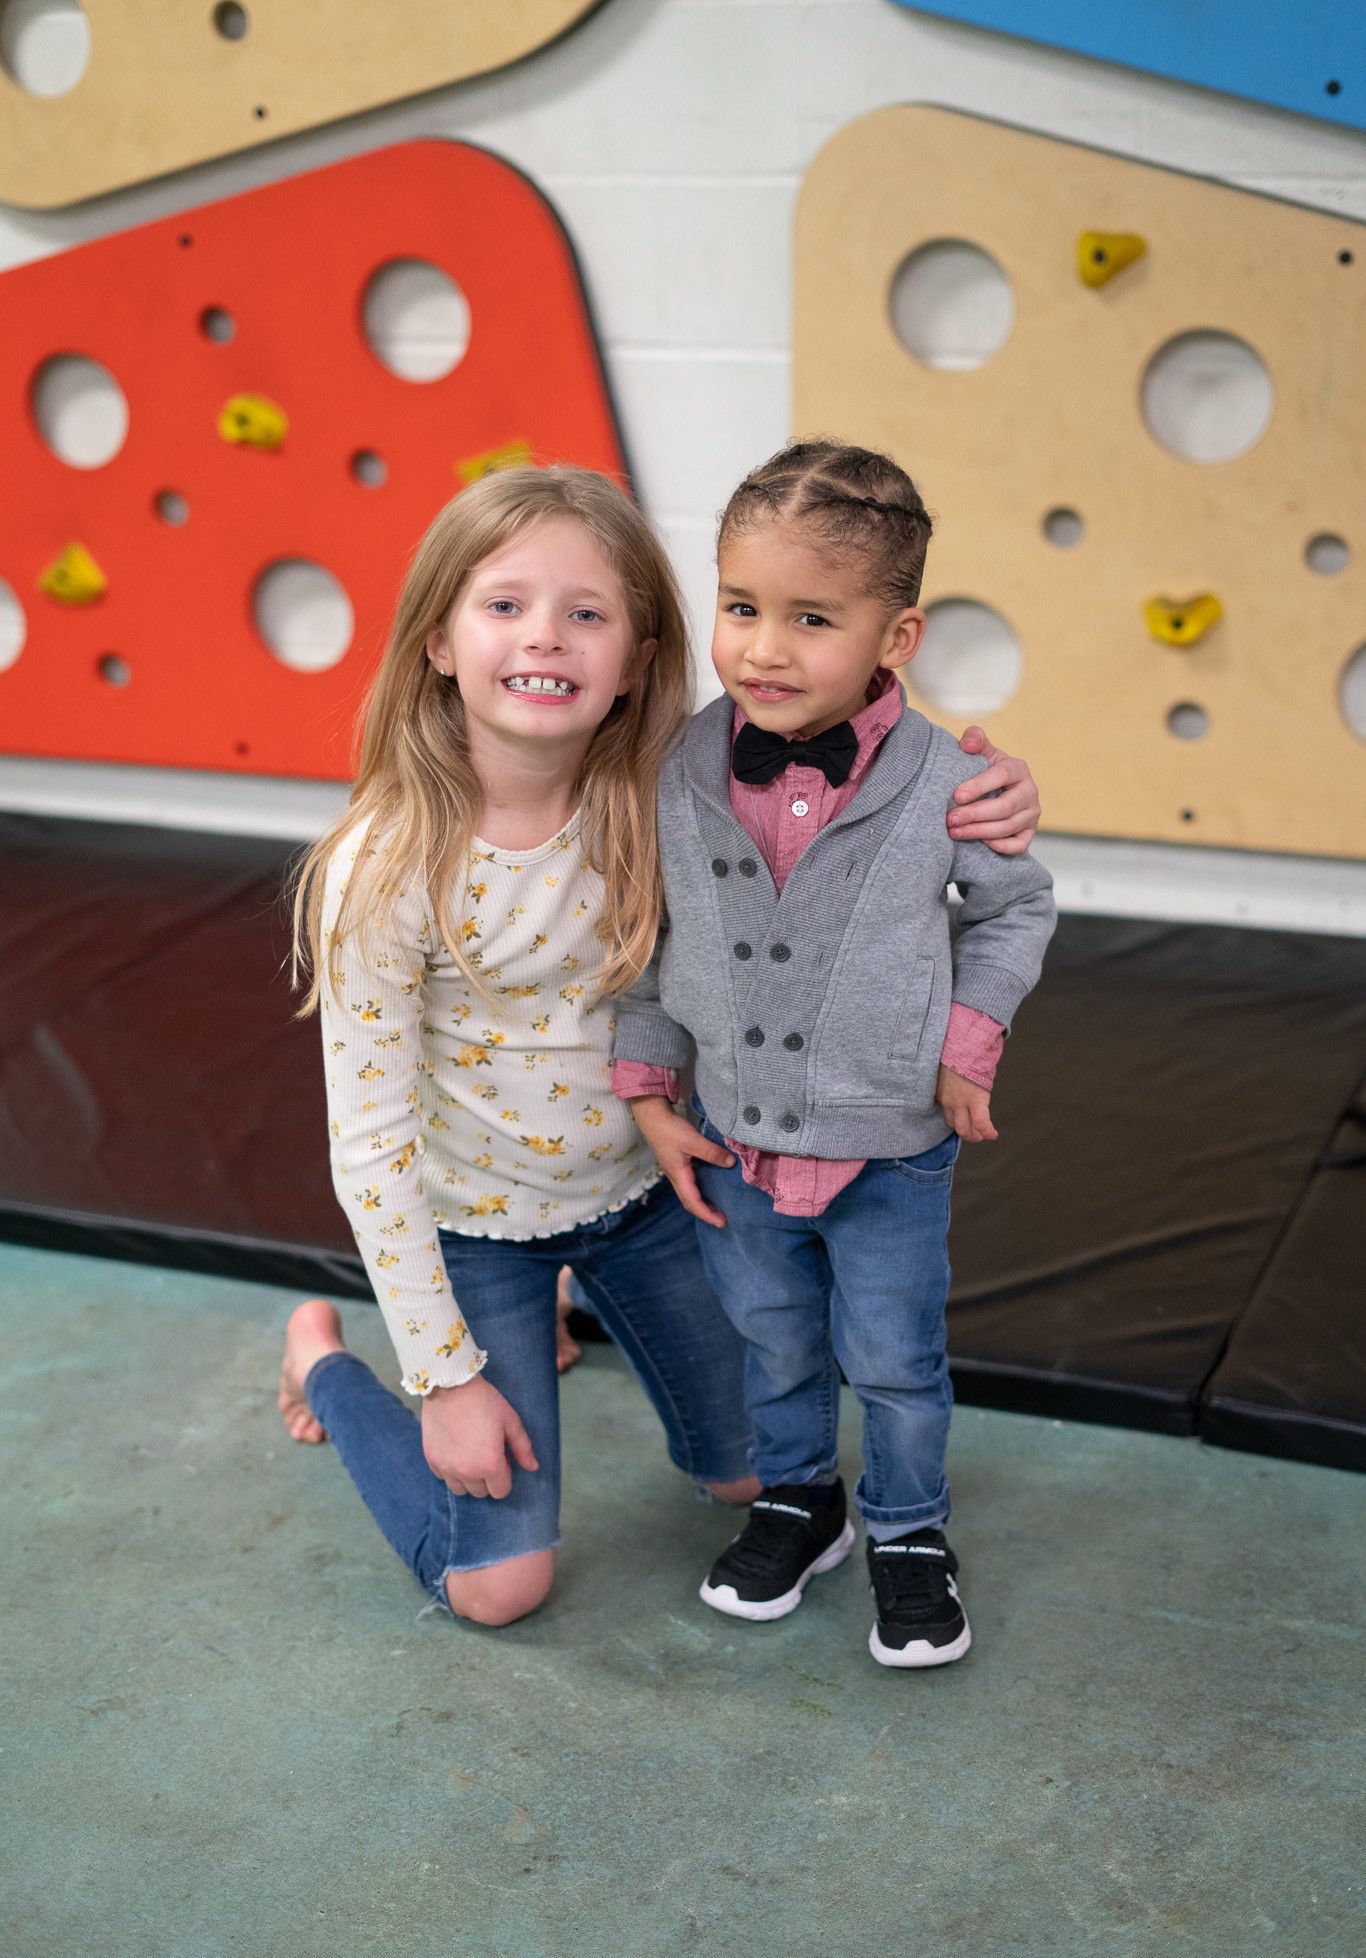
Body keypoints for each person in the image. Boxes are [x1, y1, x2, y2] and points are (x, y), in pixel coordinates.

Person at [277, 462, 1042, 1629]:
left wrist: (998, 793)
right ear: (437, 639)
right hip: (480, 1225)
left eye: (586, 613)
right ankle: (325, 1360)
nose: (546, 637)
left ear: (635, 658)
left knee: (757, 1473)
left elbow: (867, 785)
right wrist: (444, 1373)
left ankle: (570, 1305)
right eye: (504, 606)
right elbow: (368, 1149)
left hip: (647, 1195)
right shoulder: (379, 871)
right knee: (497, 1588)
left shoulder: (667, 780)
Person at [613, 441, 1056, 1667]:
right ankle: (801, 1501)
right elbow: (649, 935)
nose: (763, 646)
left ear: (895, 637)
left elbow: (1017, 908)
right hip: (737, 1138)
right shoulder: (677, 765)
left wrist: (967, 1044)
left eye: (812, 618)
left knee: (895, 1361)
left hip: (892, 1150)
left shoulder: (951, 781)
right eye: (741, 606)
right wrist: (648, 1085)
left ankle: (908, 1531)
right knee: (774, 1338)